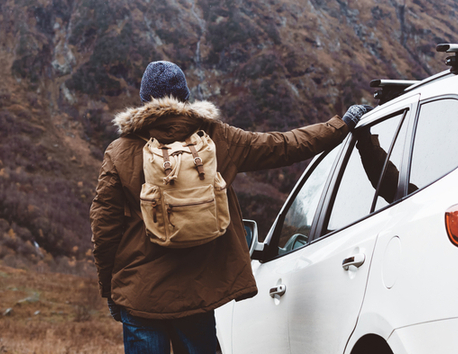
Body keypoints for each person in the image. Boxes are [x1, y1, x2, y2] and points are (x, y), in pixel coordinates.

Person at [89, 60, 370, 354]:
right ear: (185, 97)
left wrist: (110, 289)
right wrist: (341, 125)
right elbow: (283, 145)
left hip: (140, 295)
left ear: (144, 100)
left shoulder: (120, 151)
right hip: (197, 294)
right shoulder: (215, 137)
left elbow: (104, 228)